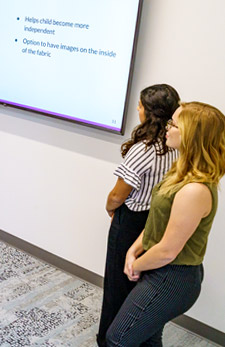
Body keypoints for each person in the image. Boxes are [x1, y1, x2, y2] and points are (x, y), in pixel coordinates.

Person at [106, 102, 225, 346]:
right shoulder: (180, 171)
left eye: (173, 124)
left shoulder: (195, 190)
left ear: (191, 135)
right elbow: (157, 222)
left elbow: (168, 250)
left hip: (173, 279)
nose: (167, 129)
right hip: (159, 268)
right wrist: (134, 249)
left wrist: (136, 265)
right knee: (148, 338)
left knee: (117, 338)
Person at [96, 84, 180, 345]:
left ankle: (109, 339)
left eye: (141, 106)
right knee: (142, 287)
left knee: (117, 286)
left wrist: (111, 208)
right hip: (157, 222)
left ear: (150, 112)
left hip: (131, 222)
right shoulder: (177, 146)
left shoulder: (143, 148)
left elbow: (118, 195)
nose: (137, 109)